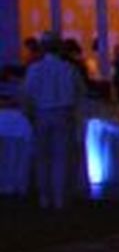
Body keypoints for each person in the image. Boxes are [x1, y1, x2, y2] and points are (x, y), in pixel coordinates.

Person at [20, 33, 85, 210]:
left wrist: (29, 115)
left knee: (42, 158)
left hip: (41, 113)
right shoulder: (69, 68)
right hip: (64, 114)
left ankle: (44, 197)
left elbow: (26, 95)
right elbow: (80, 93)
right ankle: (59, 198)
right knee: (61, 158)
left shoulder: (35, 69)